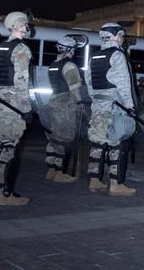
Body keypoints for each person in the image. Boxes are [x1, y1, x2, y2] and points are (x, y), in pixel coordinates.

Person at [0, 11, 33, 205]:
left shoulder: (0, 48)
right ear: (19, 25)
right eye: (26, 24)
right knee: (9, 148)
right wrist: (26, 109)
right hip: (12, 106)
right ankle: (5, 193)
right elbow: (21, 81)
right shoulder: (21, 49)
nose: (28, 27)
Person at [86, 22, 138, 196]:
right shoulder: (117, 55)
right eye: (121, 35)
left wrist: (96, 100)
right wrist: (130, 107)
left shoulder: (94, 56)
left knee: (97, 143)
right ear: (115, 36)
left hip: (98, 105)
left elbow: (89, 82)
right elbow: (124, 84)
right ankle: (116, 185)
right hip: (115, 105)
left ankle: (94, 181)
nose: (123, 39)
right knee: (117, 143)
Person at [43, 34, 87, 183]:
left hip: (53, 101)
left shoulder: (53, 64)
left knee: (53, 139)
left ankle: (51, 170)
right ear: (69, 50)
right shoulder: (70, 65)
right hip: (66, 104)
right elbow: (74, 89)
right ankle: (60, 173)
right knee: (63, 139)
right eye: (73, 49)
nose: (74, 52)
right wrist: (80, 103)